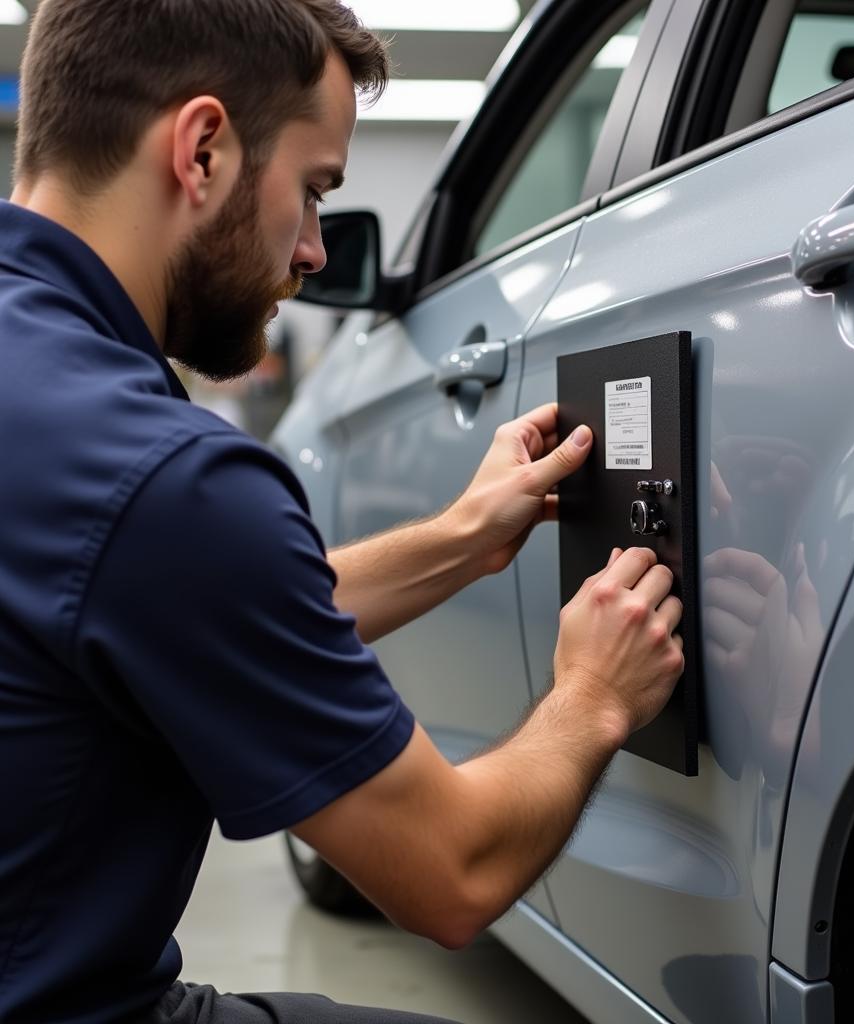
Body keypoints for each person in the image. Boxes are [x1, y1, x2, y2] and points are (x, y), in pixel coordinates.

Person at [0, 2, 685, 1022]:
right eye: (314, 190)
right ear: (202, 150)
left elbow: (166, 606)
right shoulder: (166, 478)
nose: (316, 250)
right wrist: (592, 696)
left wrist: (461, 540)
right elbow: (452, 872)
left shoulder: (57, 405)